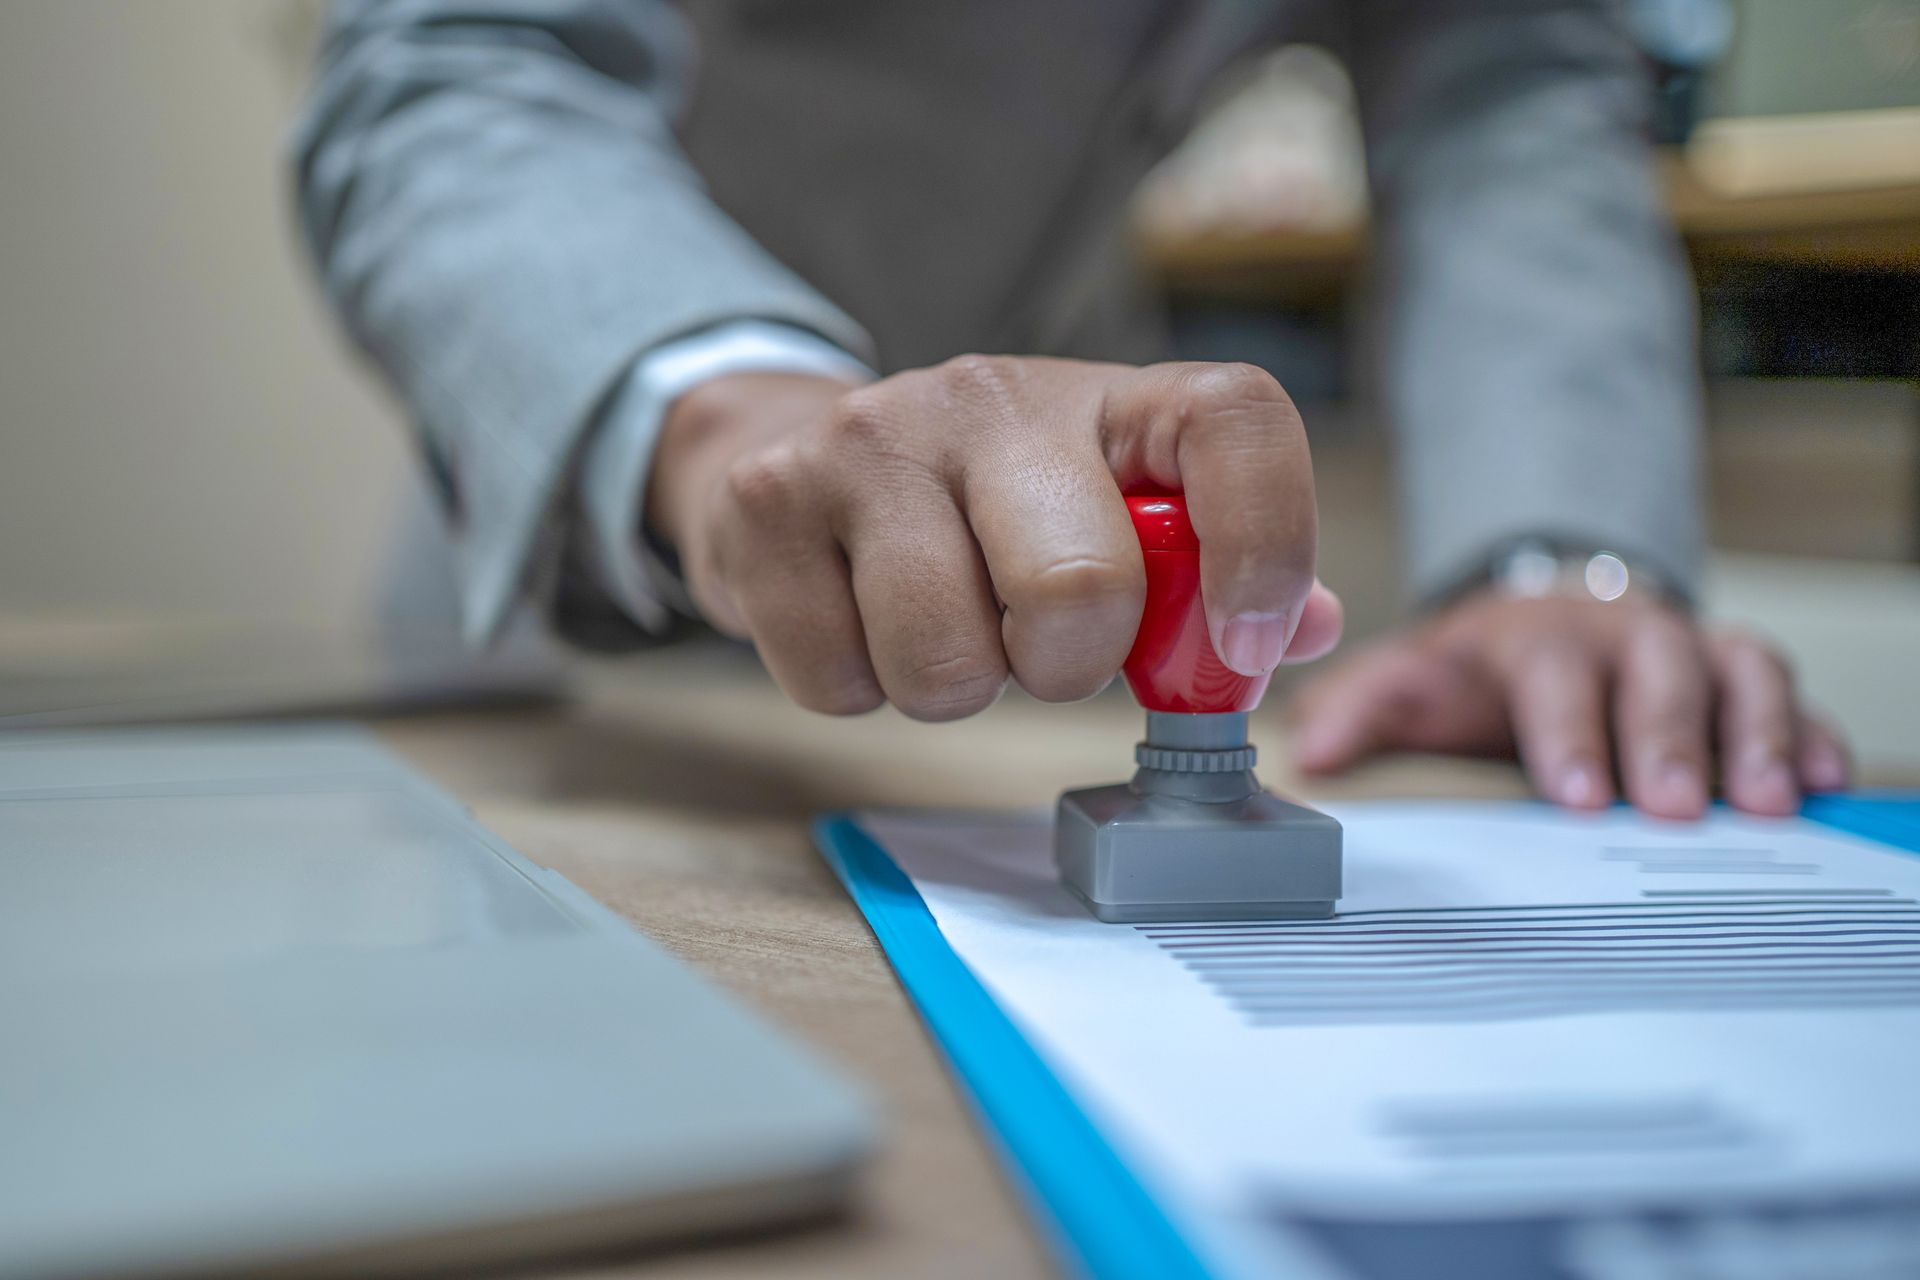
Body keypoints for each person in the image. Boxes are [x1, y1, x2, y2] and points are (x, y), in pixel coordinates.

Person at [294, 0, 1848, 819]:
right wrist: (727, 413)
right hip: (594, 602)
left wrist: (1551, 558)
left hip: (1042, 672)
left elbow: (1510, 94)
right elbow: (457, 65)